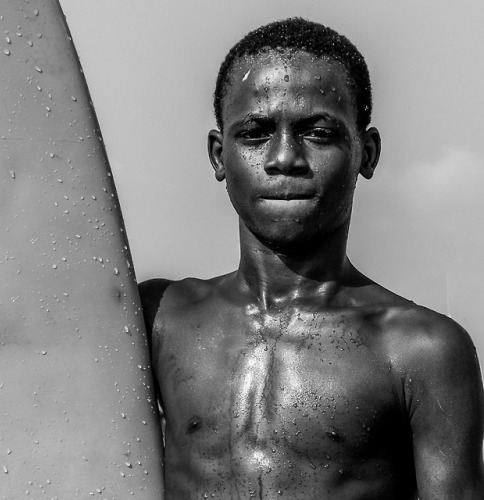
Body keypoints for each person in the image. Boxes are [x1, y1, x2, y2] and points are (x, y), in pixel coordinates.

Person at [139, 18, 484, 499]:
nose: (284, 157)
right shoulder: (158, 319)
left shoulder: (420, 349)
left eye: (318, 132)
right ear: (220, 155)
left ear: (366, 152)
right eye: (256, 132)